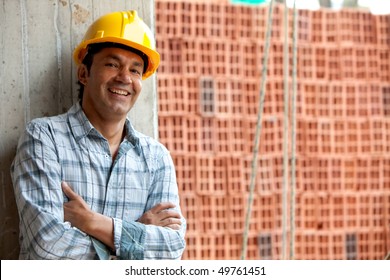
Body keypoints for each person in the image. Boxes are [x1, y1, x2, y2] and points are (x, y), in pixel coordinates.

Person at [11, 10, 186, 260]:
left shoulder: (156, 158)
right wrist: (134, 236)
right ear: (84, 74)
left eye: (135, 70)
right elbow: (47, 246)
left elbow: (171, 250)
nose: (125, 77)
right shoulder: (44, 138)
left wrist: (93, 222)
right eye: (112, 64)